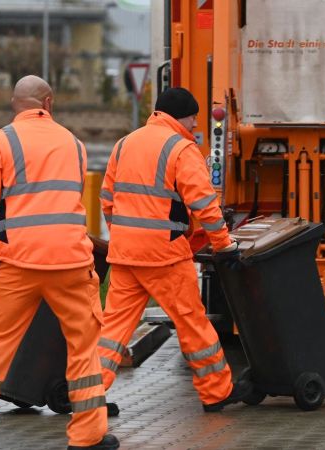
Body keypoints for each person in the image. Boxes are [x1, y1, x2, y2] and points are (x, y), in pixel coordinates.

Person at [0, 75, 119, 450]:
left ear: (16, 105)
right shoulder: (74, 144)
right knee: (82, 349)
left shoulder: (1, 142)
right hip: (70, 263)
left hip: (18, 265)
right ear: (48, 102)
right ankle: (88, 437)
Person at [97, 87, 251, 413]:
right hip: (164, 256)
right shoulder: (181, 149)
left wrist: (125, 235)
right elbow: (205, 204)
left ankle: (87, 397)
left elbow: (107, 199)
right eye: (194, 116)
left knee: (112, 330)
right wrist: (224, 244)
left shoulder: (125, 144)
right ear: (183, 115)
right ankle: (216, 391)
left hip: (125, 255)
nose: (196, 123)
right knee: (191, 322)